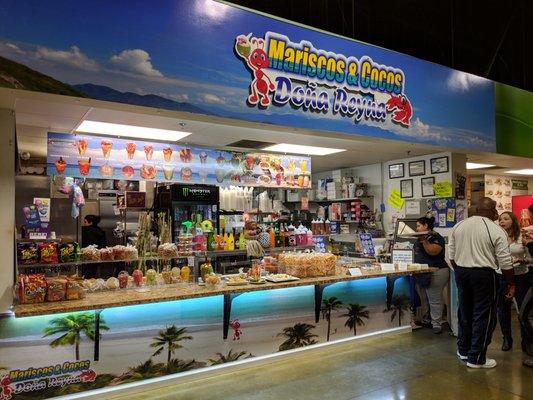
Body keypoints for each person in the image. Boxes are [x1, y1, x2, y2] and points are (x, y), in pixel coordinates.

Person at [449, 197, 515, 369]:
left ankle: (463, 350)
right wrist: (511, 283)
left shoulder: (459, 226)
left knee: (465, 311)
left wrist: (462, 271)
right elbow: (506, 262)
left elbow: (451, 256)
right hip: (484, 275)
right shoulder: (495, 229)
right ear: (493, 211)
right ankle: (477, 358)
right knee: (483, 315)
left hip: (461, 272)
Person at [497, 212, 532, 351]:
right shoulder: (498, 237)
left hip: (521, 276)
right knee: (503, 309)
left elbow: (530, 257)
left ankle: (526, 340)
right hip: (502, 276)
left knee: (523, 310)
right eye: (500, 219)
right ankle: (507, 339)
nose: (502, 221)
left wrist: (523, 260)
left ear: (513, 221)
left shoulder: (522, 236)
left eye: (506, 219)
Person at [413, 216, 449, 334]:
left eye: (418, 226)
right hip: (422, 272)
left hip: (437, 272)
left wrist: (424, 240)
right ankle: (426, 319)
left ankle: (436, 323)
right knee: (424, 298)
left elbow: (433, 252)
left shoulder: (436, 237)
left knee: (435, 299)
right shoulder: (419, 239)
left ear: (426, 226)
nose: (416, 228)